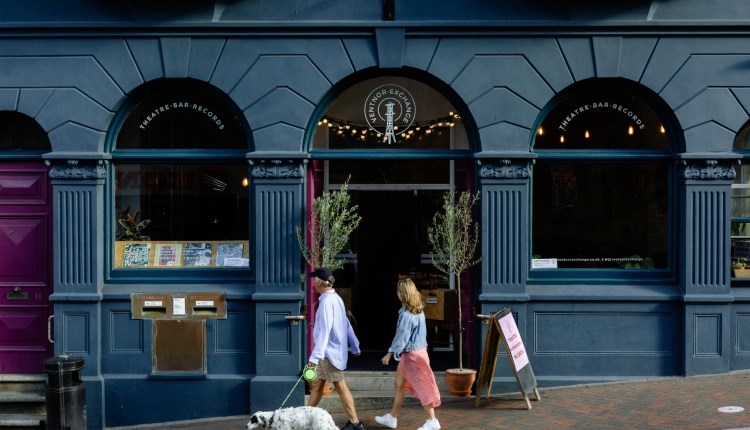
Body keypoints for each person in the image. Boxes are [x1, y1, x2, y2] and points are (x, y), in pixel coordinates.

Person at [375, 278, 441, 430]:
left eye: (398, 291)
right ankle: (392, 417)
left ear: (403, 294)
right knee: (399, 385)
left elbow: (401, 338)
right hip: (418, 353)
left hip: (412, 356)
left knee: (422, 387)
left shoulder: (406, 315)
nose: (397, 293)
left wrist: (389, 353)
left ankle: (432, 421)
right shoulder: (417, 310)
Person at [306, 267, 365, 430]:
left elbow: (324, 332)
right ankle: (307, 419)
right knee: (318, 385)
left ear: (319, 282)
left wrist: (313, 359)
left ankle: (355, 423)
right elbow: (346, 324)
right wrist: (355, 345)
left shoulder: (325, 302)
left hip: (328, 354)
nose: (312, 283)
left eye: (313, 280)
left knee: (340, 386)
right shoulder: (336, 298)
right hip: (333, 352)